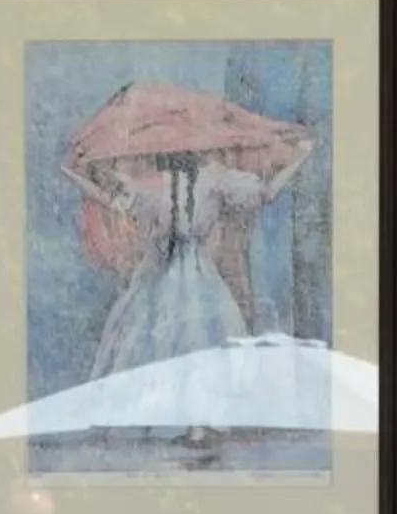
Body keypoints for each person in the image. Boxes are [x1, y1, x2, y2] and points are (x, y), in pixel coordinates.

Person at [59, 81, 314, 382]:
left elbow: (108, 194)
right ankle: (194, 421)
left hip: (161, 273)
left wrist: (74, 172)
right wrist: (298, 159)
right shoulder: (215, 179)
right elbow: (266, 192)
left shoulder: (151, 187)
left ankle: (173, 413)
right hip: (190, 272)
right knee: (199, 335)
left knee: (151, 336)